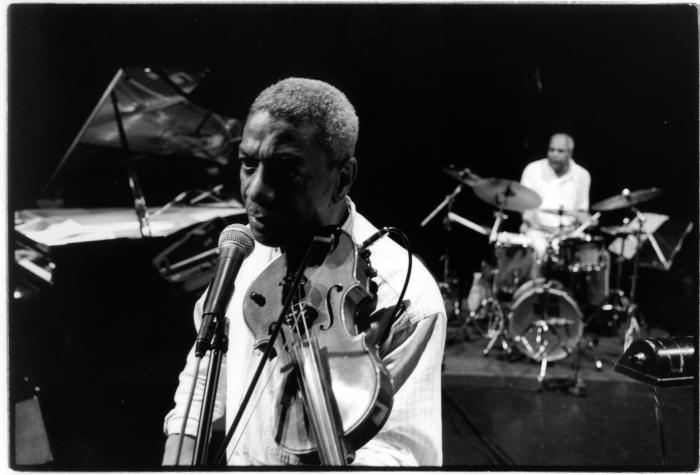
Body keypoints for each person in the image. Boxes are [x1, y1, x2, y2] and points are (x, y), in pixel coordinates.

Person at [161, 78, 446, 466]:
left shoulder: (404, 295)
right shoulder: (244, 256)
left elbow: (400, 454)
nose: (256, 190)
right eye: (248, 164)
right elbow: (199, 394)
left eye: (285, 170)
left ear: (342, 178)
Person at [520, 133, 591, 257]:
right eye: (551, 149)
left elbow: (581, 211)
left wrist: (586, 220)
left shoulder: (582, 175)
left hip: (568, 234)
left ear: (570, 153)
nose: (554, 154)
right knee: (541, 253)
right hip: (537, 232)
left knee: (590, 253)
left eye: (560, 151)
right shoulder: (533, 169)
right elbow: (520, 204)